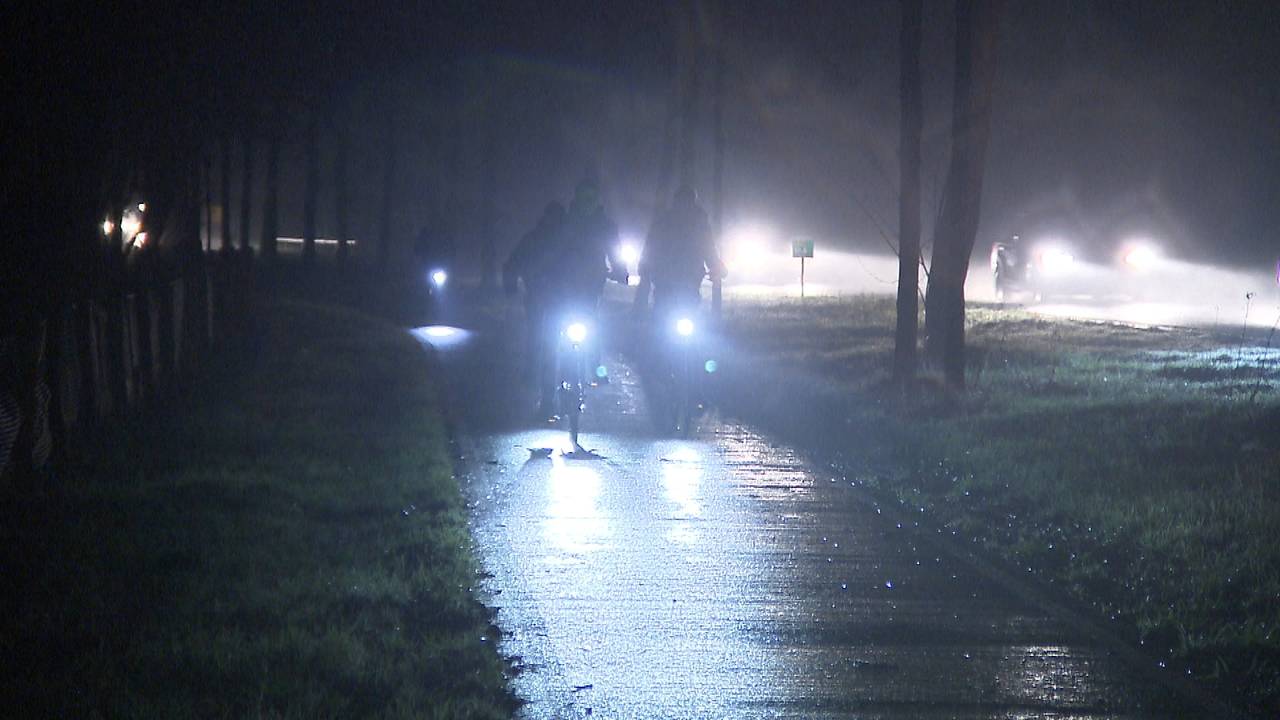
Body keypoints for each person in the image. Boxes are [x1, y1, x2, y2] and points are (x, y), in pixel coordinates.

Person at [530, 179, 627, 417]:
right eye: (583, 197)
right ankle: (547, 399)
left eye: (591, 198)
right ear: (576, 197)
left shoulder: (605, 226)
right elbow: (548, 252)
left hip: (588, 290)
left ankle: (595, 367)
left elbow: (615, 253)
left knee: (591, 326)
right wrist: (542, 273)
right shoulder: (564, 223)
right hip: (560, 291)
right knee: (552, 342)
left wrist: (620, 271)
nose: (587, 203)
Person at [637, 184, 725, 322]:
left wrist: (716, 267)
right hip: (669, 280)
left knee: (683, 312)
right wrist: (645, 266)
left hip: (684, 280)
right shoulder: (669, 223)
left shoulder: (694, 224)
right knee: (664, 314)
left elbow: (708, 249)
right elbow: (651, 248)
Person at [504, 201, 566, 383]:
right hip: (541, 296)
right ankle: (536, 371)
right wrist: (512, 287)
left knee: (541, 334)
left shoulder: (566, 241)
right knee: (538, 333)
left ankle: (545, 372)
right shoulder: (537, 239)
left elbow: (512, 263)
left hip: (557, 297)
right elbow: (513, 263)